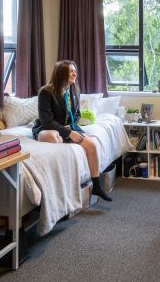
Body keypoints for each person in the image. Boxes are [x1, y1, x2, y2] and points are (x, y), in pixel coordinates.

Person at [32, 60, 112, 202]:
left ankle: (97, 185)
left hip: (68, 128)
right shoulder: (46, 92)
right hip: (47, 128)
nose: (75, 73)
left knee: (92, 145)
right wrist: (68, 132)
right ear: (61, 74)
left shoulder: (74, 90)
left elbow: (77, 115)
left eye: (74, 70)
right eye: (70, 71)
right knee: (54, 136)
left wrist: (71, 127)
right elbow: (47, 121)